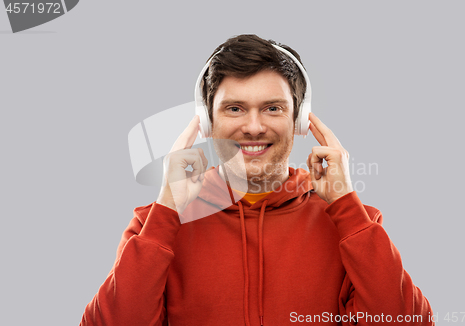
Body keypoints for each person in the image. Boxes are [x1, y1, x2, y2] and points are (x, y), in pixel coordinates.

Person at [80, 34, 433, 325]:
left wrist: (345, 204)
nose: (253, 127)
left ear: (299, 120)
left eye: (272, 108)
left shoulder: (352, 222)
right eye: (234, 108)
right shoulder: (155, 223)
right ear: (206, 122)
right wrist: (168, 208)